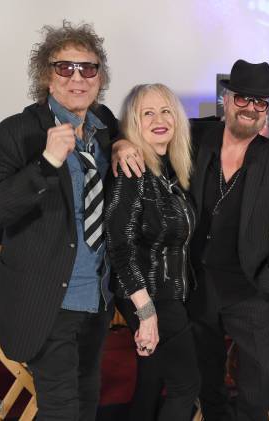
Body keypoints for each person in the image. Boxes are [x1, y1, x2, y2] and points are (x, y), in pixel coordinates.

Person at [0, 21, 141, 420]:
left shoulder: (103, 127)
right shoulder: (14, 134)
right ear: (46, 76)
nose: (77, 78)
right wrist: (45, 164)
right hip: (47, 300)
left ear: (100, 78)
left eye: (88, 68)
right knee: (61, 409)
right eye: (65, 68)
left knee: (87, 398)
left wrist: (121, 140)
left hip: (96, 299)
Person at [187, 59, 269, 421]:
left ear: (267, 109)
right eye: (243, 99)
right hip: (198, 282)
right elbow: (144, 128)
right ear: (227, 99)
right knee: (207, 370)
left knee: (259, 376)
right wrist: (124, 143)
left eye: (260, 103)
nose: (251, 108)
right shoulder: (196, 140)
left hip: (249, 286)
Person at [105, 83, 200, 421]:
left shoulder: (169, 169)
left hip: (166, 293)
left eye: (166, 111)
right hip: (151, 295)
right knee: (186, 386)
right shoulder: (133, 171)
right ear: (134, 122)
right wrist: (147, 314)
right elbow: (120, 246)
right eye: (148, 113)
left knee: (152, 378)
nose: (159, 119)